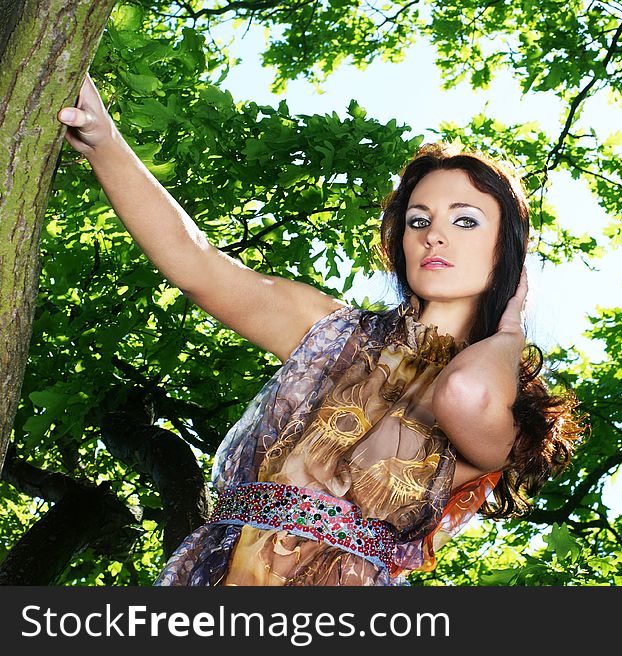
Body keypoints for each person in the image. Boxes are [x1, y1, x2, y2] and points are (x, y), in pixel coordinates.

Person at [56, 73, 584, 586]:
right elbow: (197, 265)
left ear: (505, 250)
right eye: (418, 220)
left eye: (465, 220)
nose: (434, 236)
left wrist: (509, 330)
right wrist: (105, 143)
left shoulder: (510, 420)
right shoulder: (334, 335)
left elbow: (464, 391)